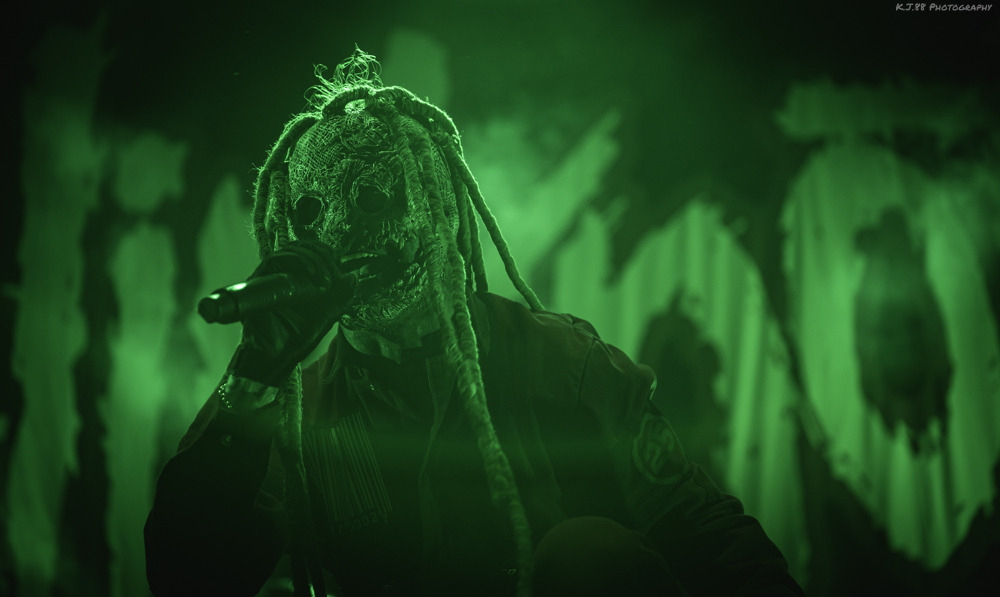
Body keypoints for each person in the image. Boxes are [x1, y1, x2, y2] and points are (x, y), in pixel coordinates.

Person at [144, 49, 805, 597]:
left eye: (371, 197)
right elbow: (186, 577)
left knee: (585, 552)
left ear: (438, 211)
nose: (338, 229)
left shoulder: (564, 363)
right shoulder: (298, 413)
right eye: (310, 211)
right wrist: (254, 376)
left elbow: (701, 531)